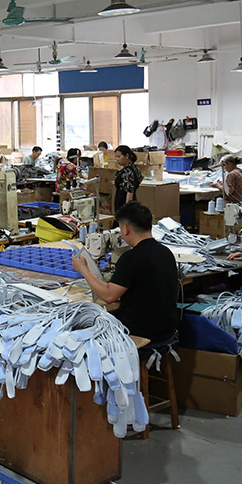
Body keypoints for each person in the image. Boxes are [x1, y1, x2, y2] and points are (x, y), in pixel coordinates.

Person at [72, 201, 179, 343]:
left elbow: (109, 296)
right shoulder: (166, 253)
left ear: (126, 229)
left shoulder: (131, 258)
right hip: (167, 330)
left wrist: (83, 269)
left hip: (140, 332)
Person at [113, 145, 143, 214]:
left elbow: (130, 192)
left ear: (127, 156)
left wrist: (126, 210)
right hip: (133, 203)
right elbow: (141, 178)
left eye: (119, 157)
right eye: (116, 157)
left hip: (124, 204)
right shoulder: (135, 168)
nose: (117, 159)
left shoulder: (127, 172)